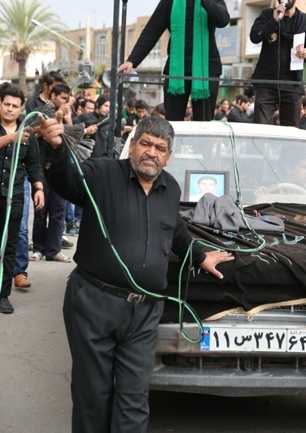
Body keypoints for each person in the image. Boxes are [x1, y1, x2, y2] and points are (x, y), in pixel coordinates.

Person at [36, 112, 234, 432]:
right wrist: (57, 147)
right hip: (94, 303)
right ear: (132, 145)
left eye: (160, 148)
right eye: (145, 143)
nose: (151, 152)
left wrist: (200, 257)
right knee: (92, 395)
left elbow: (175, 230)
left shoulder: (170, 189)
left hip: (144, 312)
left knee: (134, 398)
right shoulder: (102, 173)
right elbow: (67, 180)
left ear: (168, 156)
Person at [118, 0, 230, 121]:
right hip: (176, 70)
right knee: (173, 122)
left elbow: (223, 21)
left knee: (204, 124)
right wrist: (132, 60)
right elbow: (151, 31)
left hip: (207, 69)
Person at [250, 0, 306, 127]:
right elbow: (254, 37)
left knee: (291, 130)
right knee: (260, 128)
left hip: (292, 84)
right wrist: (273, 21)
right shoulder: (267, 15)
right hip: (266, 83)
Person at [0, 84, 44, 314]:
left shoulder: (27, 133)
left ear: (21, 109)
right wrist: (11, 138)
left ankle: (3, 295)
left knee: (10, 247)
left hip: (14, 196)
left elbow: (34, 165)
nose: (10, 109)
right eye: (6, 104)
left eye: (15, 106)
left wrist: (39, 188)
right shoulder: (16, 135)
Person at [30, 83, 73, 263]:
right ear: (53, 96)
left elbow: (73, 140)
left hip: (61, 169)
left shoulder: (67, 113)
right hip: (41, 168)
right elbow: (30, 132)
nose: (65, 101)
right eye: (62, 98)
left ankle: (54, 251)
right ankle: (39, 248)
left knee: (58, 211)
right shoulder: (40, 112)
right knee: (40, 211)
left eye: (67, 98)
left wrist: (67, 118)